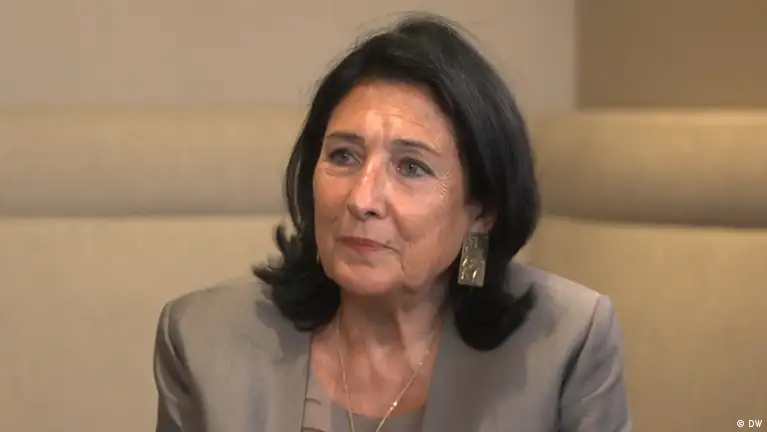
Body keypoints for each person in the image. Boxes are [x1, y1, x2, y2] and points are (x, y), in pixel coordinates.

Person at [153, 13, 631, 432]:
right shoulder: (202, 339)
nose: (362, 199)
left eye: (411, 167)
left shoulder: (566, 344)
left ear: (481, 210)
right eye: (343, 156)